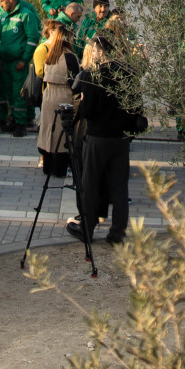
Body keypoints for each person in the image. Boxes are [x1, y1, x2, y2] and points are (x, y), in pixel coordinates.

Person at [68, 33, 142, 246]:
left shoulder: (94, 75)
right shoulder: (128, 74)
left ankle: (87, 229)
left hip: (98, 137)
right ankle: (118, 232)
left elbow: (87, 111)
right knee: (119, 188)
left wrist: (82, 103)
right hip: (121, 139)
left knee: (90, 184)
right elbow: (137, 108)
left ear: (99, 51)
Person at [0, 0, 40, 138]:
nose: (0, 5)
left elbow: (32, 39)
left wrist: (24, 59)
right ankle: (13, 120)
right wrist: (0, 54)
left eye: (2, 1)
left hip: (18, 62)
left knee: (18, 94)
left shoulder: (26, 14)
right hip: (4, 61)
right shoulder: (2, 15)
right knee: (8, 93)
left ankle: (21, 124)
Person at [35, 20, 80, 179]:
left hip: (48, 95)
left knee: (48, 131)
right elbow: (75, 82)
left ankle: (47, 166)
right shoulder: (69, 57)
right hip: (63, 96)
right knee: (61, 135)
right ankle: (60, 168)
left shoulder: (50, 54)